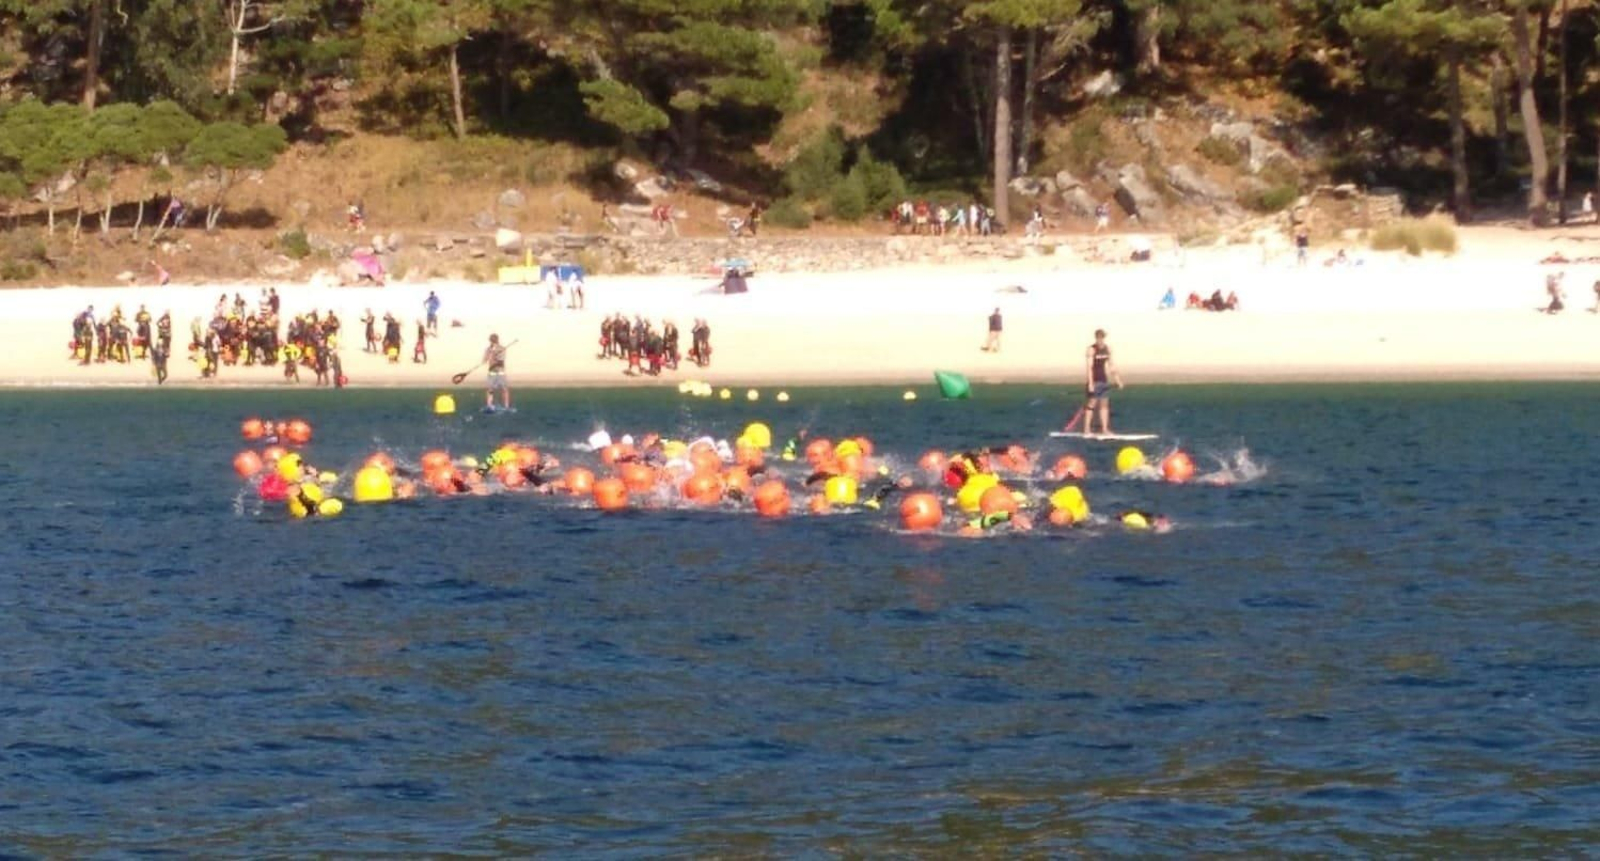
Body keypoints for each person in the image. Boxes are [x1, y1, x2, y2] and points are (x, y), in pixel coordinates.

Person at [1074, 328, 1123, 435]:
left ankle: (1105, 429)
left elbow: (1111, 366)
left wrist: (1118, 380)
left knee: (1104, 404)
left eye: (1102, 337)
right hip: (1094, 380)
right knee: (1092, 403)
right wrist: (1091, 383)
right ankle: (1087, 430)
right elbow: (1089, 367)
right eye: (1099, 337)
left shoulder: (1107, 349)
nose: (1100, 339)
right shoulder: (1091, 349)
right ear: (1096, 337)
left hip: (1103, 380)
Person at [484, 334, 510, 412]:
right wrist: (488, 357)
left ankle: (506, 406)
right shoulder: (488, 349)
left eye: (493, 340)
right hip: (491, 372)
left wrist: (495, 356)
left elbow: (501, 361)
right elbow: (485, 359)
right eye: (491, 340)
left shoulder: (502, 349)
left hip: (500, 372)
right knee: (490, 389)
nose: (492, 341)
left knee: (504, 389)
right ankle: (489, 405)